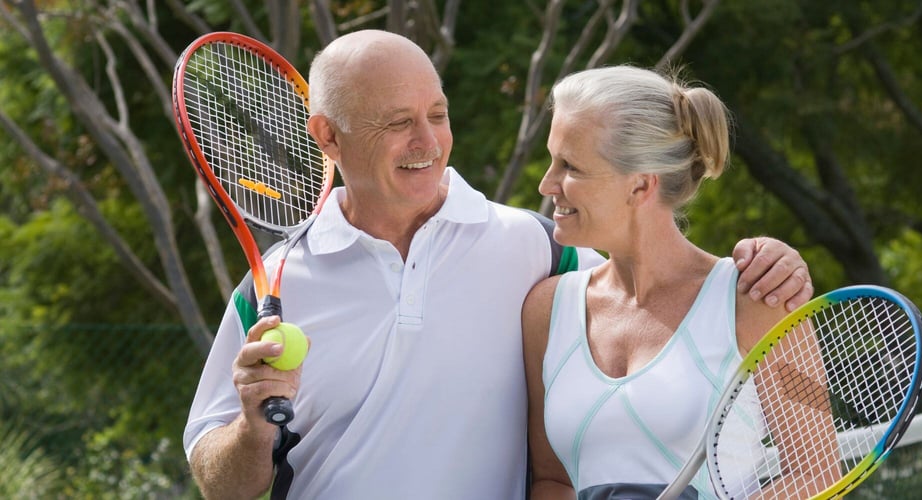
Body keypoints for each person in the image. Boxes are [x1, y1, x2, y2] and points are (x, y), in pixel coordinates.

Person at [183, 31, 814, 500]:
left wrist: (772, 264)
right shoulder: (275, 284)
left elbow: (662, 278)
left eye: (437, 114)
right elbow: (218, 482)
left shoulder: (538, 249)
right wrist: (250, 426)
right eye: (399, 123)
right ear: (327, 137)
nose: (428, 143)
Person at [521, 65, 837, 500]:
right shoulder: (545, 310)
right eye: (552, 159)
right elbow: (553, 481)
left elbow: (818, 472)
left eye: (570, 166)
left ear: (640, 185)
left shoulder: (760, 298)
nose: (547, 183)